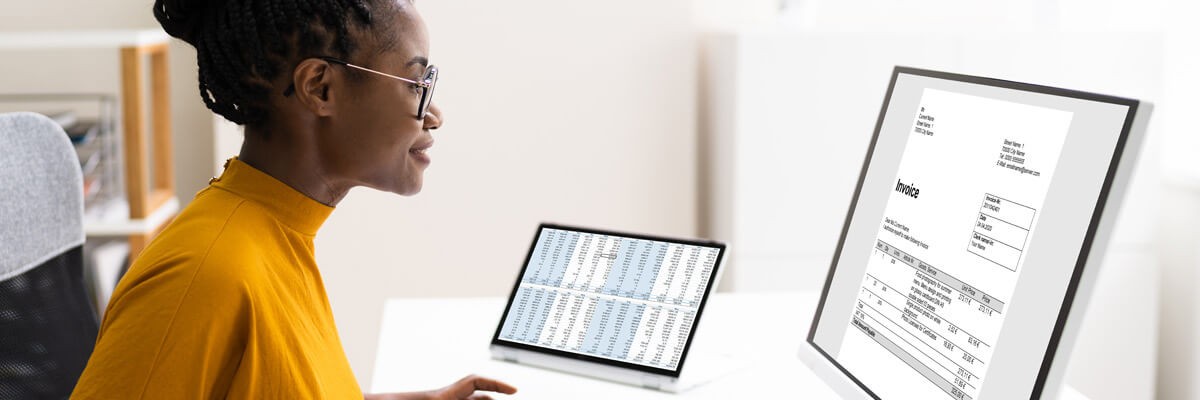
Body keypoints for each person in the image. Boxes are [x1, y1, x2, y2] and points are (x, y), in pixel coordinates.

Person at [71, 0, 517, 398]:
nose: (433, 116)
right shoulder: (205, 276)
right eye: (415, 84)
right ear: (320, 87)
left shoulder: (281, 233)